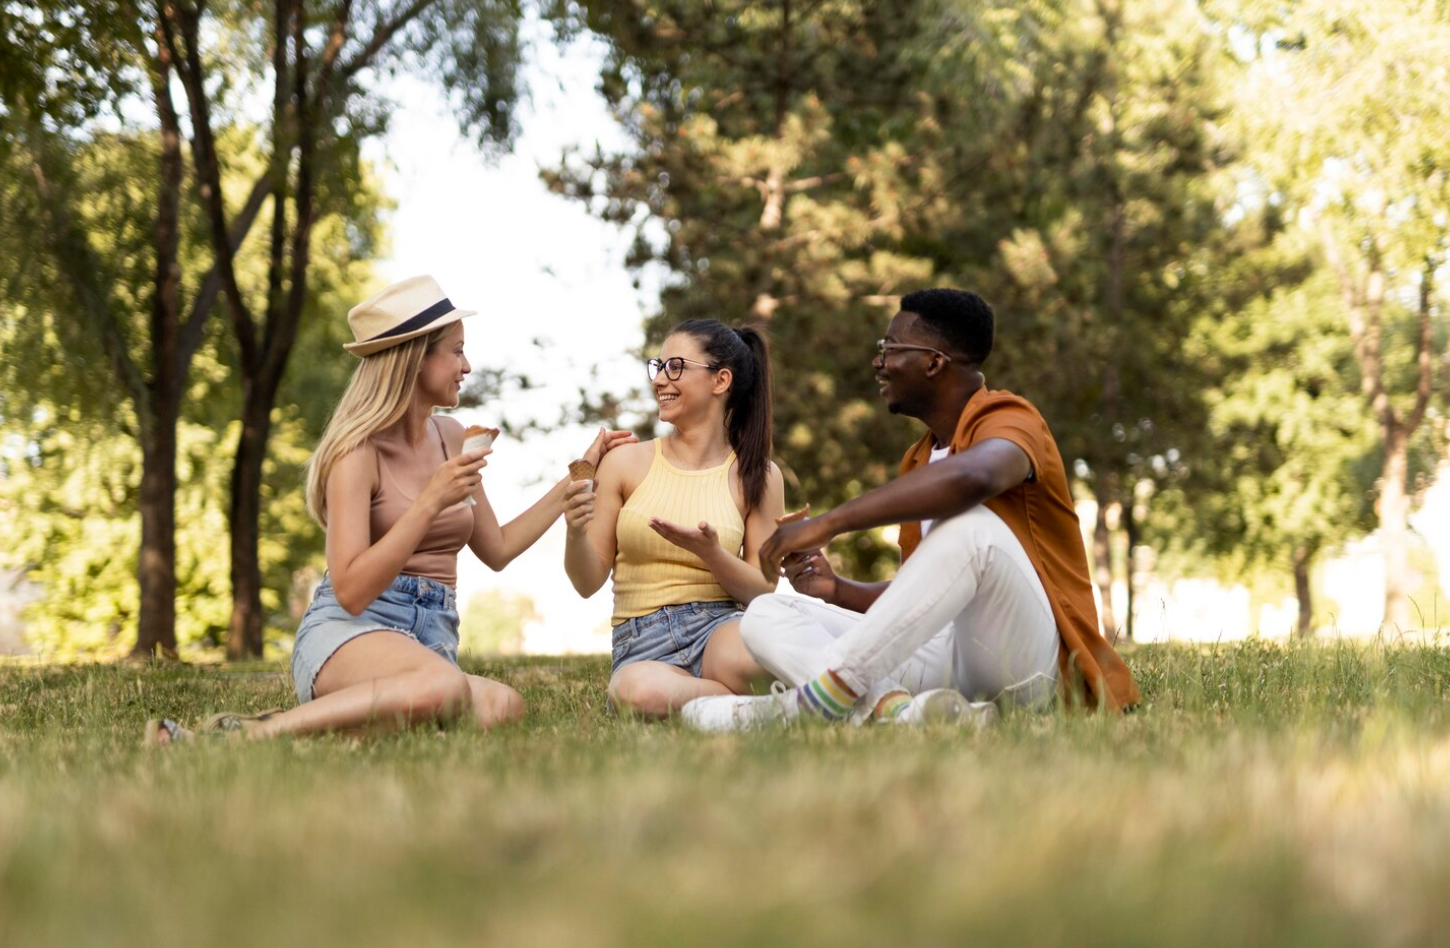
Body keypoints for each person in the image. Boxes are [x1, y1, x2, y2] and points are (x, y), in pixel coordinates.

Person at [145, 275, 633, 744]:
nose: (467, 367)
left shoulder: (451, 438)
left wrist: (579, 475)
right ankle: (252, 735)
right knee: (445, 689)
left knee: (503, 707)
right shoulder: (356, 455)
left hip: (431, 639)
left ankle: (329, 733)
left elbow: (498, 548)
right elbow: (352, 591)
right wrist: (429, 502)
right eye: (457, 351)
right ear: (415, 360)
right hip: (350, 633)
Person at [681, 288, 1140, 731]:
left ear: (934, 362)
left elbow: (973, 480)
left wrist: (830, 523)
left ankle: (800, 708)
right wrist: (838, 589)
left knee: (973, 527)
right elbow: (927, 598)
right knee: (766, 613)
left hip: (1029, 667)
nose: (878, 363)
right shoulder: (919, 459)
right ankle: (894, 711)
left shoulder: (1010, 418)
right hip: (953, 667)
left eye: (889, 348)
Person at [563, 319, 786, 718]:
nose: (660, 380)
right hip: (642, 641)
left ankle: (735, 703)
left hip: (721, 628)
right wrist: (576, 532)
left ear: (720, 381)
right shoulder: (624, 463)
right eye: (658, 366)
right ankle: (770, 708)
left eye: (676, 367)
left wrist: (713, 554)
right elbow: (586, 582)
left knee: (772, 660)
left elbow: (762, 591)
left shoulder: (761, 476)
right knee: (635, 693)